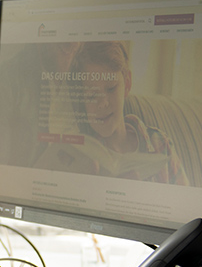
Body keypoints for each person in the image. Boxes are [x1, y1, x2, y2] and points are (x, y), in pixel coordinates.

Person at [70, 41, 188, 185]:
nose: (103, 103)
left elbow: (182, 195)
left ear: (127, 84)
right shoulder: (83, 156)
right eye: (92, 96)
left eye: (111, 88)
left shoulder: (160, 143)